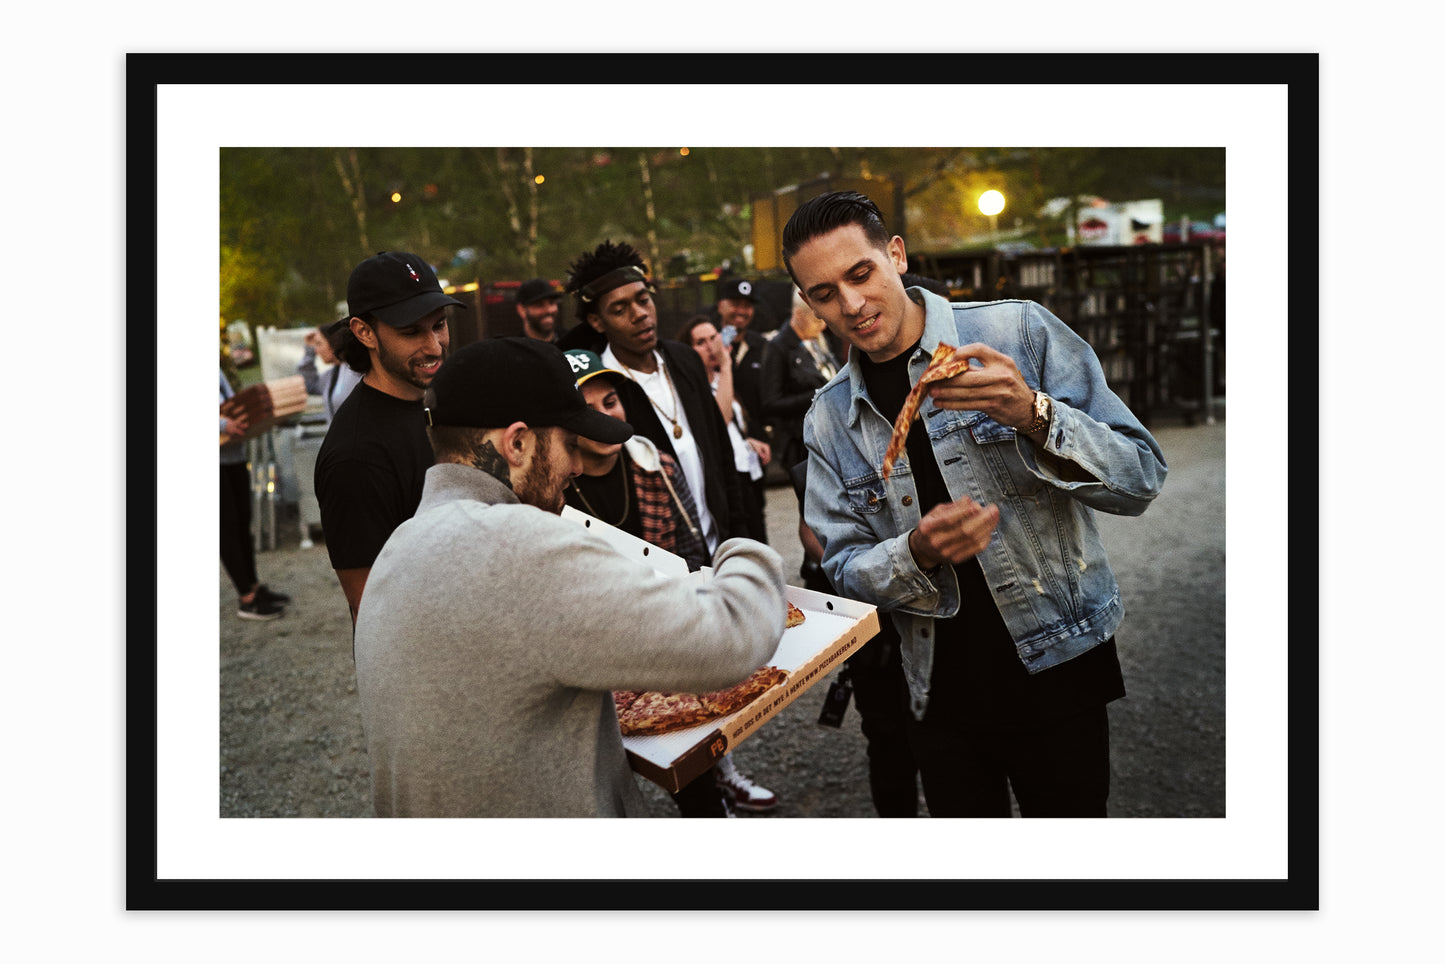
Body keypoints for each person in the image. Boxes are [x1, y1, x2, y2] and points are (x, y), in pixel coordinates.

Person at [784, 190, 1168, 818]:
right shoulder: (828, 419)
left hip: (1060, 667)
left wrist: (1035, 414)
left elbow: (1141, 479)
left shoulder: (1017, 332)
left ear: (896, 256)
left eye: (861, 273)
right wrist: (916, 552)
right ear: (808, 302)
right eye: (825, 293)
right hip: (938, 695)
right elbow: (841, 566)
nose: (851, 305)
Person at [352, 337, 788, 817]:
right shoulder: (515, 542)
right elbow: (731, 636)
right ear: (517, 444)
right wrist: (743, 548)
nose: (577, 468)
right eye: (568, 444)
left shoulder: (400, 545)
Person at [559, 242, 776, 812]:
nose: (642, 314)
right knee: (676, 687)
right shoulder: (598, 386)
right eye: (624, 307)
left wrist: (738, 527)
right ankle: (702, 789)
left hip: (707, 530)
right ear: (597, 320)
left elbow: (716, 443)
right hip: (657, 551)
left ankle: (723, 765)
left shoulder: (681, 358)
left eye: (645, 299)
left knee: (716, 674)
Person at [563, 347, 749, 817]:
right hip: (593, 652)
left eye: (610, 402)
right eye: (586, 408)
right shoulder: (556, 492)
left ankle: (714, 803)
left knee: (689, 765)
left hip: (662, 637)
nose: (604, 414)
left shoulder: (656, 465)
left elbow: (690, 554)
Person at [314, 251, 463, 626]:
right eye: (411, 332)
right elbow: (371, 604)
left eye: (439, 325)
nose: (434, 346)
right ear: (364, 332)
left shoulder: (443, 402)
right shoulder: (355, 455)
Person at [789, 459, 919, 817]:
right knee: (887, 735)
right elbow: (811, 531)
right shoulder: (822, 456)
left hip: (932, 611)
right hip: (870, 621)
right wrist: (859, 567)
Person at [679, 315, 770, 544]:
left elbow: (733, 425)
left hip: (746, 470)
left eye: (713, 338)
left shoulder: (720, 377)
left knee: (760, 539)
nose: (712, 347)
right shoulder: (694, 386)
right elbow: (720, 419)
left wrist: (748, 441)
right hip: (725, 476)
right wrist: (727, 363)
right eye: (701, 342)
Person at [220, 368, 289, 620]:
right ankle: (246, 599)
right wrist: (222, 424)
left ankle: (253, 586)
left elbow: (228, 401)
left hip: (232, 453)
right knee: (227, 527)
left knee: (241, 523)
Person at [760, 288, 841, 477]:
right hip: (802, 441)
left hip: (833, 434)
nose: (822, 325)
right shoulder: (778, 348)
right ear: (798, 314)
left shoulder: (821, 340)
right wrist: (816, 395)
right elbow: (770, 403)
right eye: (816, 319)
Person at [715, 276, 769, 437]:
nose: (741, 311)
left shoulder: (762, 346)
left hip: (760, 440)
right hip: (722, 435)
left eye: (747, 306)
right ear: (720, 306)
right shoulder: (709, 344)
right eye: (735, 304)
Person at [296, 319, 363, 421]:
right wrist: (309, 352)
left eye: (319, 344)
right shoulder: (332, 374)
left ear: (333, 343)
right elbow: (310, 385)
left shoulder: (356, 372)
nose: (316, 350)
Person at [514, 278, 567, 343]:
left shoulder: (572, 342)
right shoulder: (514, 350)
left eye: (551, 303)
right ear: (522, 310)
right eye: (539, 305)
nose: (549, 310)